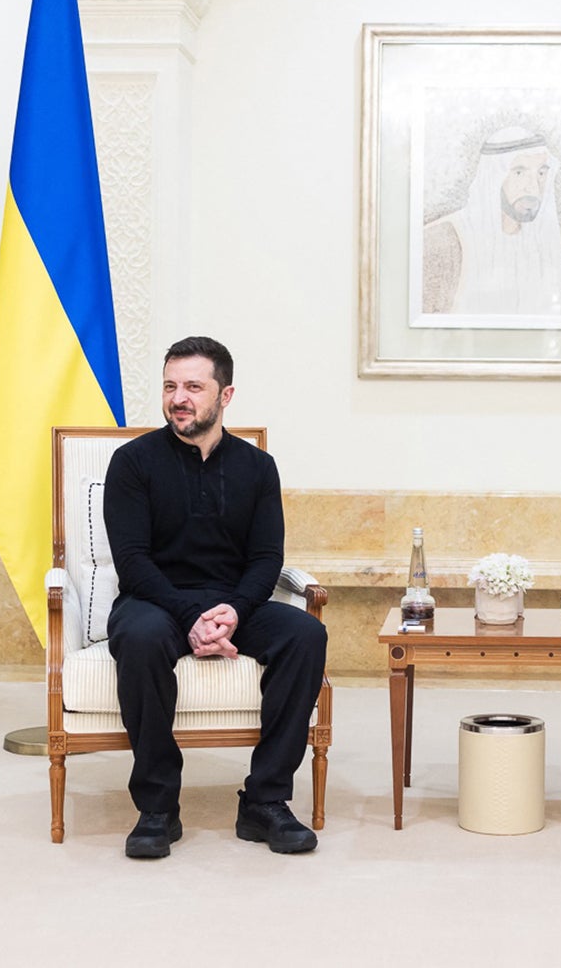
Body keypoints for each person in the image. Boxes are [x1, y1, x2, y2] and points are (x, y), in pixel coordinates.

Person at [102, 336, 328, 859]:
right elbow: (132, 560)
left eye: (193, 387)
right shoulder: (132, 462)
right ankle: (158, 807)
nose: (178, 398)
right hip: (155, 600)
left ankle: (265, 801)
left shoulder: (257, 467)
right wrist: (192, 617)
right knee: (139, 636)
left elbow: (266, 557)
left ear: (225, 395)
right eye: (170, 386)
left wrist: (234, 612)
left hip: (233, 603)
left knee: (305, 634)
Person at [421, 125, 561, 318]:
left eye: (541, 173)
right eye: (519, 173)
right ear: (493, 178)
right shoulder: (441, 242)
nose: (533, 188)